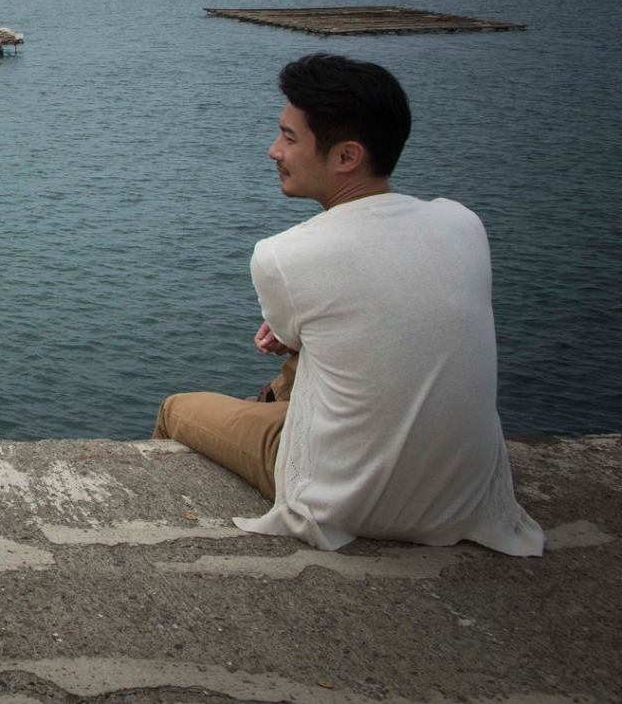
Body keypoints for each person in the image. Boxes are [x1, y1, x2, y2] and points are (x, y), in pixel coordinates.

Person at [153, 53, 543, 556]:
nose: (274, 150)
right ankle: (265, 411)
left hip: (349, 499)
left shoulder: (283, 254)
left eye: (290, 138)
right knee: (307, 356)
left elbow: (292, 330)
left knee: (176, 408)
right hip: (466, 495)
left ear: (346, 157)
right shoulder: (462, 222)